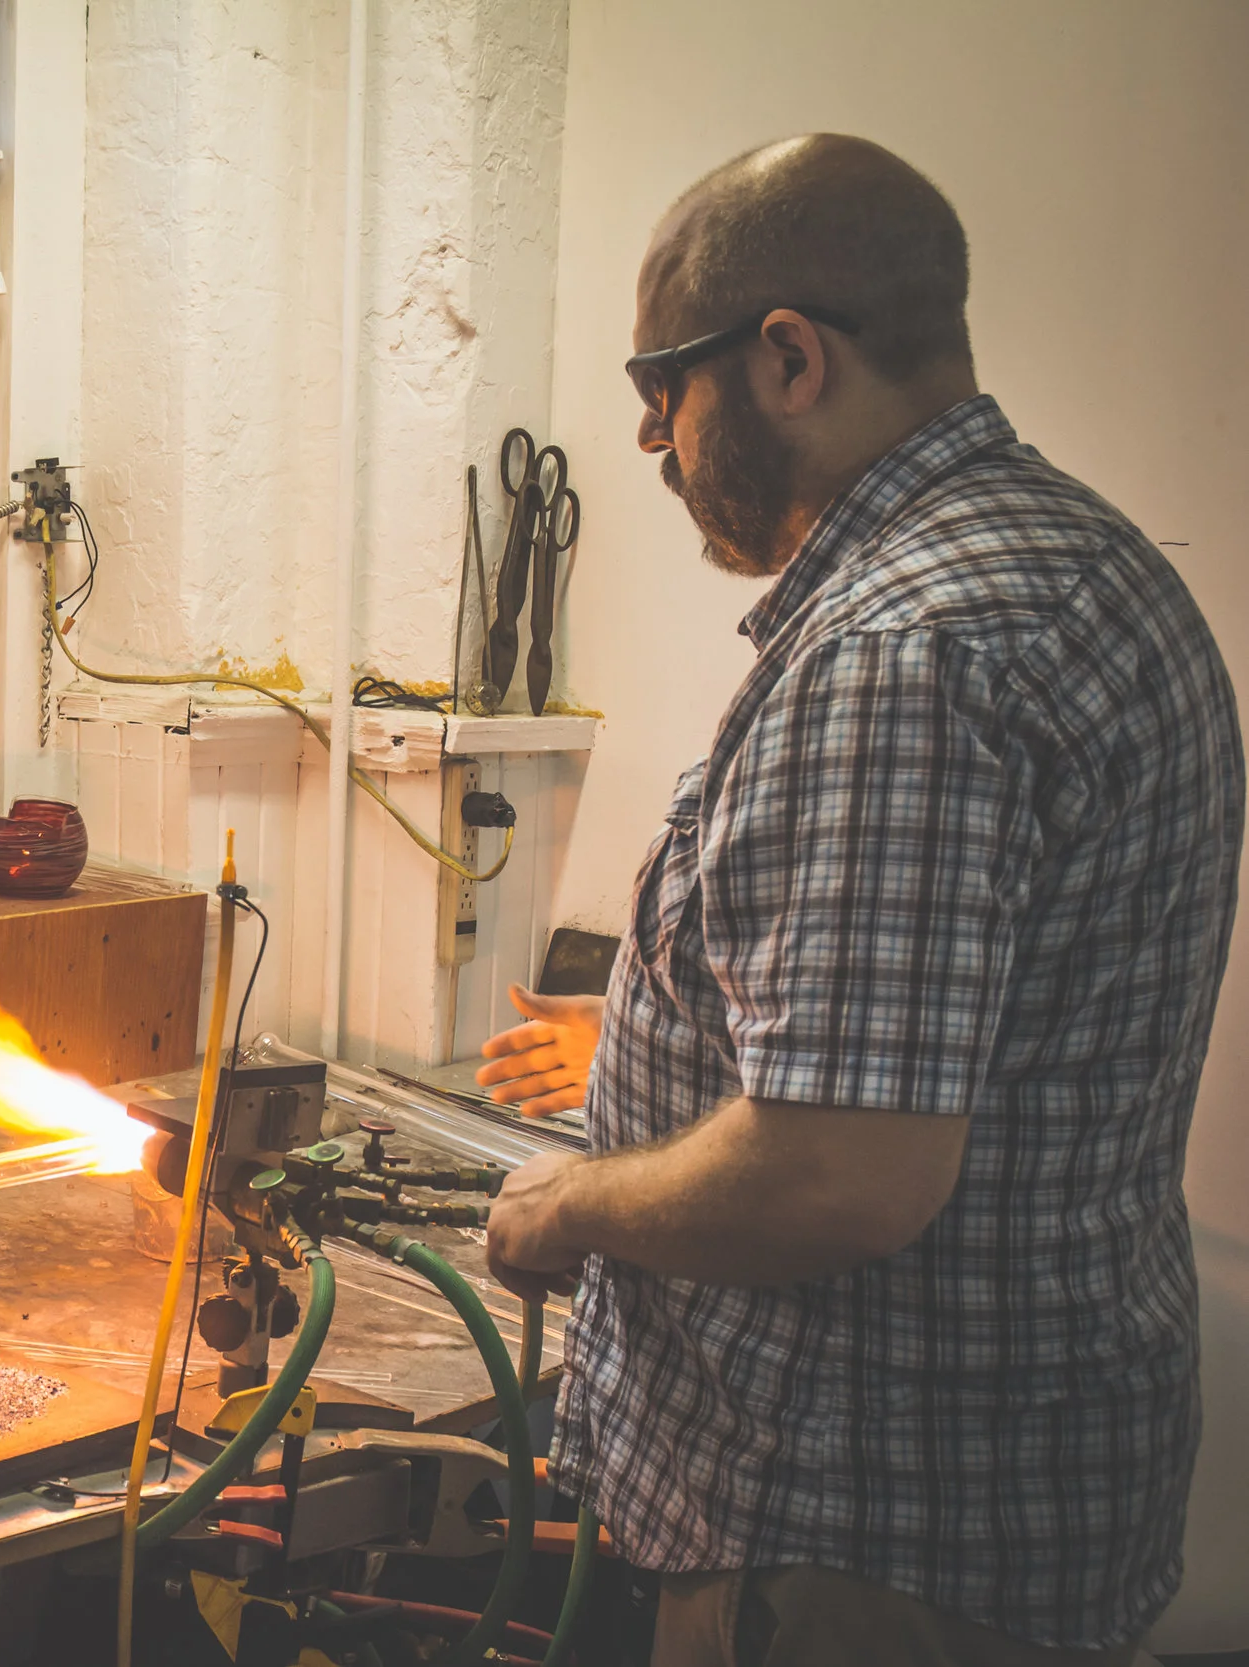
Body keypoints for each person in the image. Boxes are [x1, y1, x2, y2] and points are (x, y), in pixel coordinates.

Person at [477, 135, 1238, 1666]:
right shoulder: (1084, 562)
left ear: (786, 359)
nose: (650, 439)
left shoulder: (906, 650)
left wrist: (568, 1202)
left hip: (853, 1543)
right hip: (997, 1514)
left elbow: (841, 1170)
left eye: (662, 390)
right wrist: (657, 1017)